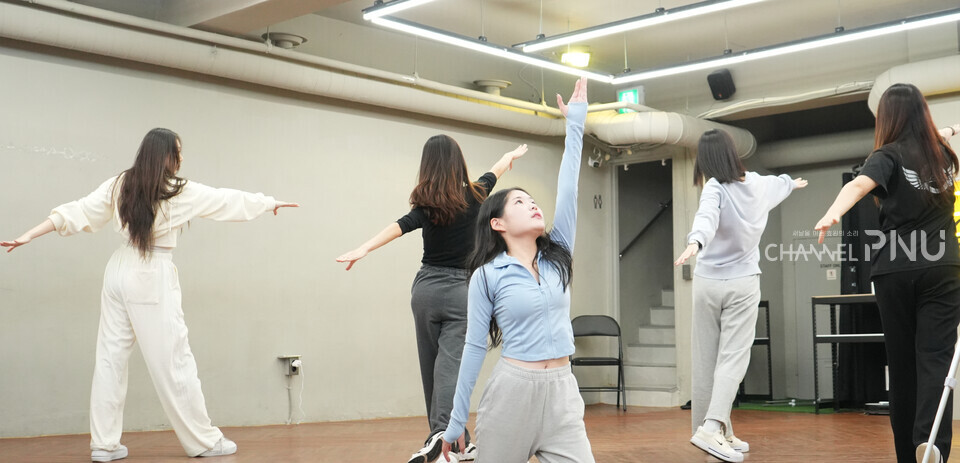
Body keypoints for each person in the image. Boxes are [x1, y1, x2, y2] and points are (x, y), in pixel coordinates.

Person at [2, 128, 298, 461]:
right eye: (179, 152)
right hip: (150, 272)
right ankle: (202, 441)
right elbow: (225, 200)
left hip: (118, 270)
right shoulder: (177, 191)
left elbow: (78, 211)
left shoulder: (120, 184)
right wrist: (269, 202)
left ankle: (104, 444)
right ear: (168, 156)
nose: (182, 158)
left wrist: (30, 234)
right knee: (174, 360)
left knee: (110, 359)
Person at [336, 134, 527, 463]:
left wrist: (365, 247)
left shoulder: (427, 204)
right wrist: (509, 157)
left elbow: (400, 225)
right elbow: (495, 172)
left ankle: (459, 444)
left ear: (428, 166)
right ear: (459, 161)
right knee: (450, 370)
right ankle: (443, 439)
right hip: (461, 293)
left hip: (425, 290)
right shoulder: (477, 194)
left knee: (433, 370)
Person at [440, 76, 593, 463]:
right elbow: (474, 347)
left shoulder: (557, 255)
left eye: (533, 200)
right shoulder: (487, 276)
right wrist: (456, 422)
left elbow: (569, 188)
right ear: (497, 223)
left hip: (562, 392)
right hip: (512, 395)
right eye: (521, 202)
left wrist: (575, 123)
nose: (533, 205)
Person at [815, 83, 960, 463]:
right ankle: (931, 447)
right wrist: (947, 132)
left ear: (888, 119)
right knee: (936, 360)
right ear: (922, 114)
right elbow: (942, 133)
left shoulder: (887, 154)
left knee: (902, 363)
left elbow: (861, 183)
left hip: (895, 269)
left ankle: (906, 455)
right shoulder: (942, 154)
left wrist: (834, 211)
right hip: (944, 267)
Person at [675, 129, 807, 463]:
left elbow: (706, 217)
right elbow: (780, 184)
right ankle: (712, 428)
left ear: (705, 160)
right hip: (743, 283)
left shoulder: (714, 187)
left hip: (707, 283)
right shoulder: (759, 184)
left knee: (707, 359)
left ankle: (718, 431)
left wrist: (696, 243)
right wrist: (793, 183)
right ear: (732, 153)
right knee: (732, 358)